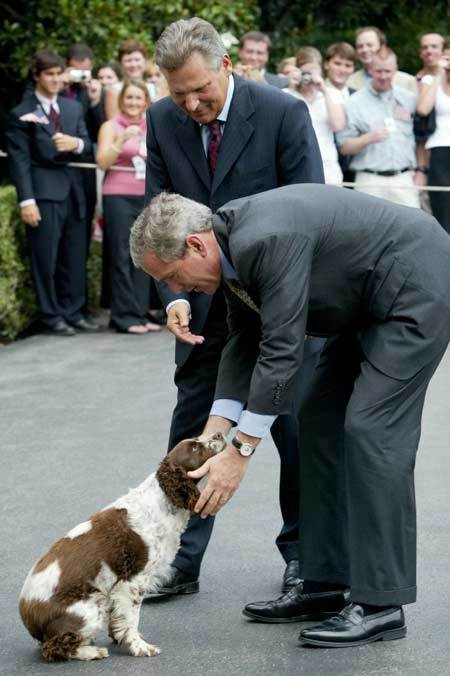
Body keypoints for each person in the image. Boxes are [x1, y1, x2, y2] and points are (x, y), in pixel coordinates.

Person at [130, 185, 450, 648]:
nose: (177, 290)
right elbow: (244, 338)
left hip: (416, 285)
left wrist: (240, 453)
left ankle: (381, 603)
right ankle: (325, 581)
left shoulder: (265, 239)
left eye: (174, 276)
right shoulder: (228, 246)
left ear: (196, 245)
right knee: (316, 417)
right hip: (362, 298)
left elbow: (281, 348)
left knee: (372, 430)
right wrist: (215, 435)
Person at [144, 17, 324, 597]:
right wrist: (174, 295)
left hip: (281, 303)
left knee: (295, 431)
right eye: (179, 95)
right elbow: (156, 220)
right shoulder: (160, 119)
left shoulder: (282, 112)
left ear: (227, 65)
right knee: (193, 429)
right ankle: (177, 557)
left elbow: (311, 210)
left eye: (201, 90)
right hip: (202, 307)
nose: (191, 105)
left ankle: (306, 558)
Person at [6, 49, 97, 335]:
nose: (56, 79)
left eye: (59, 74)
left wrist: (76, 144)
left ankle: (74, 312)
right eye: (50, 74)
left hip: (75, 191)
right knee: (46, 259)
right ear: (36, 76)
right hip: (44, 192)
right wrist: (27, 200)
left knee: (75, 255)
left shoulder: (72, 108)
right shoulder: (21, 113)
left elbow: (88, 145)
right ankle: (50, 316)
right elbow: (19, 161)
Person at [96, 81, 160, 334]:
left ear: (146, 102)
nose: (133, 102)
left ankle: (140, 312)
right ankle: (124, 316)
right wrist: (121, 139)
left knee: (144, 255)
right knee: (122, 255)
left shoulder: (151, 126)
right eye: (129, 97)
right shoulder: (111, 126)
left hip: (145, 196)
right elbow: (102, 162)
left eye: (138, 98)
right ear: (122, 100)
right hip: (118, 195)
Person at [337, 47, 421, 208]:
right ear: (370, 69)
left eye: (388, 71)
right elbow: (344, 147)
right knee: (366, 224)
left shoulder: (409, 99)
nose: (383, 76)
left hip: (403, 178)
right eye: (378, 71)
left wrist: (420, 171)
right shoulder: (354, 103)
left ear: (395, 70)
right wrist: (367, 139)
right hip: (369, 180)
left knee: (412, 223)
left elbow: (422, 136)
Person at [284, 46, 345, 184]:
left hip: (328, 166)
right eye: (306, 72)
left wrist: (323, 90)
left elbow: (338, 126)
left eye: (314, 71)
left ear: (321, 71)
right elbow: (286, 126)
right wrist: (292, 89)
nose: (309, 77)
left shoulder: (332, 94)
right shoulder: (286, 94)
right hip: (296, 163)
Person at [416, 38, 450, 233]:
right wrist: (440, 73)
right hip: (439, 150)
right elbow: (423, 108)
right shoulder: (430, 80)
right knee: (443, 209)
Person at [348, 26, 417, 94]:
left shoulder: (407, 82)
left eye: (369, 45)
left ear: (382, 46)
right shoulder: (350, 82)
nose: (365, 50)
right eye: (360, 46)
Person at [104, 40, 153, 119]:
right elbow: (113, 122)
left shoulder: (153, 87)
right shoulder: (115, 90)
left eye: (137, 60)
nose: (133, 64)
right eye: (128, 60)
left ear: (144, 61)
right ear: (121, 63)